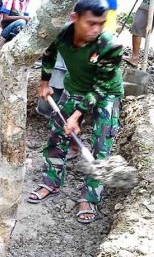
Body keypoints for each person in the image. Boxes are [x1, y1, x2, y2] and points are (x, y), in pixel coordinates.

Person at [28, 0, 123, 224]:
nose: (96, 29)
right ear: (74, 19)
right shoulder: (61, 35)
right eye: (90, 23)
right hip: (76, 87)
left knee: (101, 145)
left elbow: (99, 89)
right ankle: (51, 181)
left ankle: (90, 197)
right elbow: (49, 53)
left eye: (101, 24)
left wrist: (76, 115)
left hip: (105, 93)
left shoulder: (109, 45)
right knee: (57, 133)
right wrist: (44, 82)